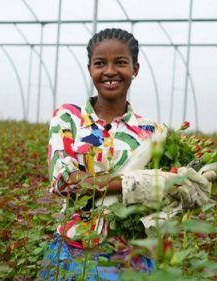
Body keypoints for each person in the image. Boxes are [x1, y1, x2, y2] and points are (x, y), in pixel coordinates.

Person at [40, 28, 162, 281]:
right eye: (100, 63)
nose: (109, 71)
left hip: (130, 257)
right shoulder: (69, 118)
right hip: (72, 253)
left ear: (135, 69)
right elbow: (64, 181)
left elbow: (161, 195)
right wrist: (134, 184)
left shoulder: (152, 132)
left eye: (120, 63)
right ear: (90, 69)